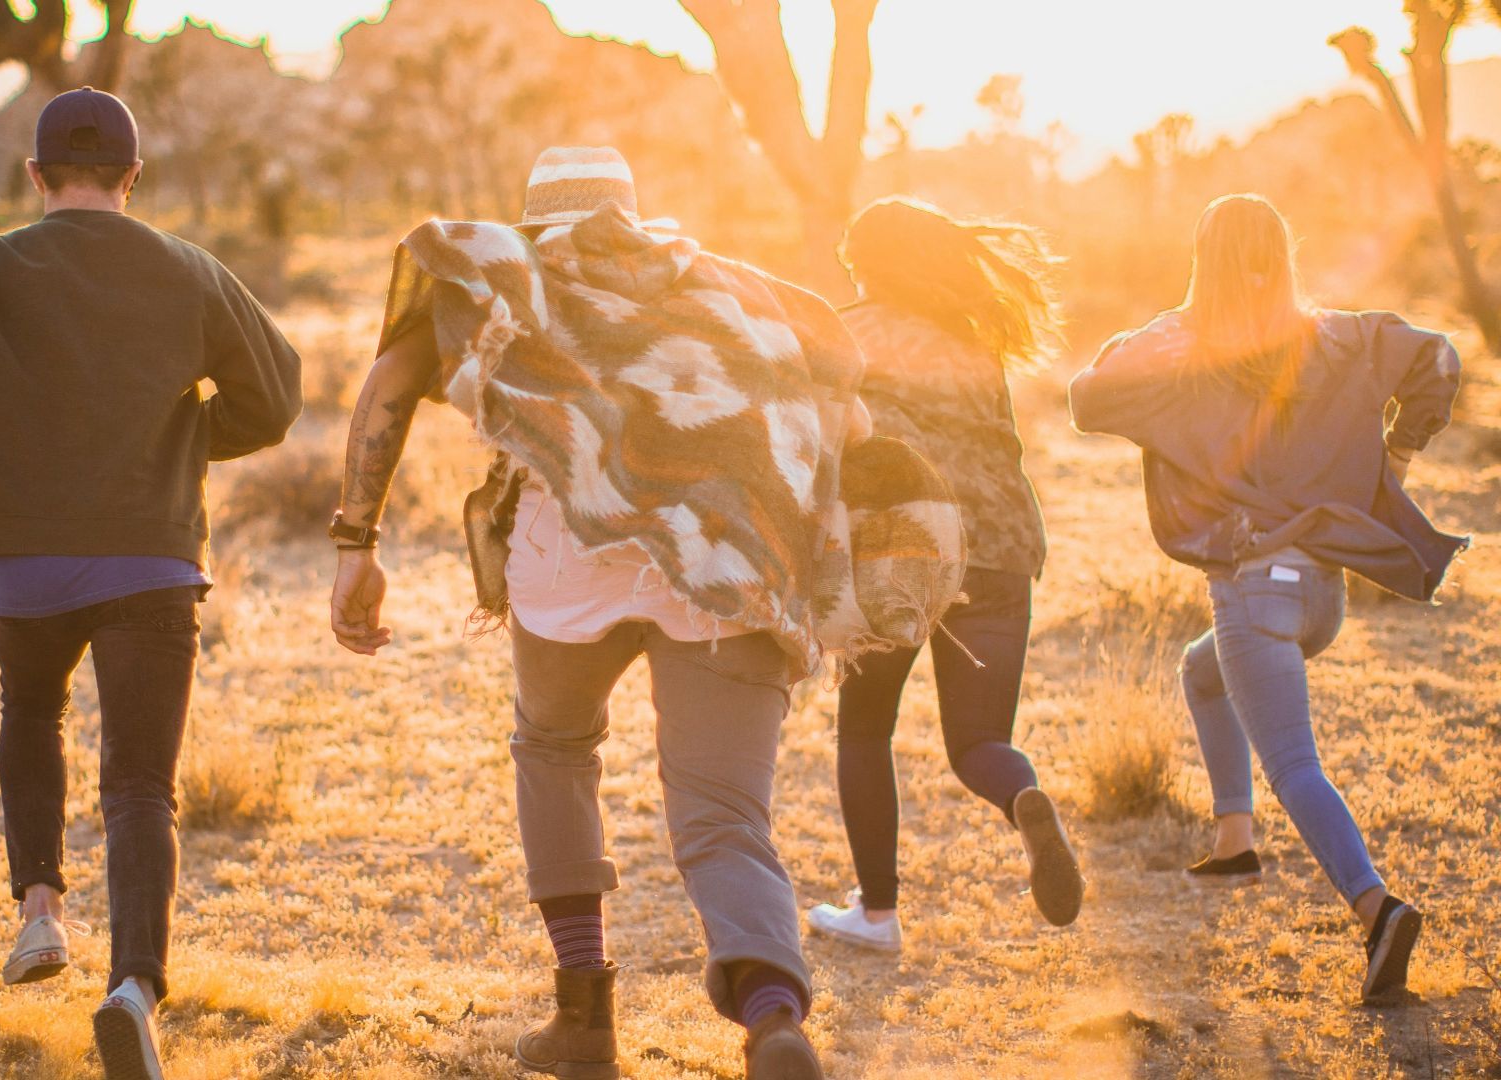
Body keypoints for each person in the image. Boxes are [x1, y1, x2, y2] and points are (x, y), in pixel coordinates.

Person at [331, 146, 901, 1080]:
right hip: (725, 564)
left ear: (534, 217)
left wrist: (357, 540)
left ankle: (584, 1016)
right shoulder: (732, 294)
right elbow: (854, 421)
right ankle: (771, 1016)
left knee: (554, 752)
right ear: (633, 212)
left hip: (567, 566)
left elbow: (390, 380)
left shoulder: (510, 278)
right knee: (723, 814)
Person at [0, 88, 301, 1080]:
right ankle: (135, 989)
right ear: (133, 178)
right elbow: (277, 391)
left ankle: (40, 916)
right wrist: (186, 438)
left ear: (36, 176)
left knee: (31, 709)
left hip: (24, 557)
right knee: (141, 779)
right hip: (151, 553)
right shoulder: (189, 270)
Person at [1069, 193, 1465, 1005]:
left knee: (1294, 763)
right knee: (1200, 671)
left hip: (1254, 590)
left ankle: (1376, 908)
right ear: (1283, 255)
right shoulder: (1337, 333)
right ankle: (1235, 836)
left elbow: (1087, 393)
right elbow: (1441, 358)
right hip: (1321, 594)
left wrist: (1167, 321)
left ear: (1201, 265)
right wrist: (1399, 453)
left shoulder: (1184, 344)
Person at [807, 198, 1084, 953]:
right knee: (979, 741)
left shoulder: (846, 332)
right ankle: (1021, 795)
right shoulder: (973, 341)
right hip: (1001, 547)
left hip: (902, 552)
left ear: (868, 263)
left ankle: (877, 914)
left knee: (865, 730)